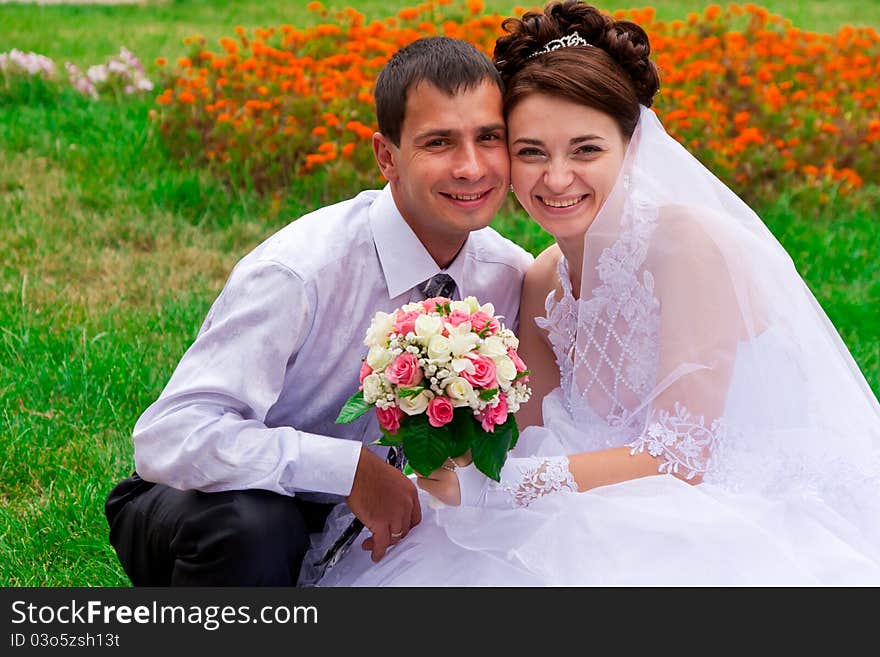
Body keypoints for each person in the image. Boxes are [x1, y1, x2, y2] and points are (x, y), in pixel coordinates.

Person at [310, 0, 880, 586]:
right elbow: (525, 437)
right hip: (574, 495)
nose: (556, 179)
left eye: (587, 150)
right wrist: (449, 440)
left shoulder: (686, 245)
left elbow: (679, 457)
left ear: (631, 147)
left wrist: (498, 490)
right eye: (531, 152)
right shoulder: (540, 279)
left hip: (697, 502)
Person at [104, 36, 533, 586]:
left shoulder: (509, 275)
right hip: (222, 500)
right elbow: (169, 438)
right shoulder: (300, 271)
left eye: (488, 138)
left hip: (396, 523)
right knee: (256, 528)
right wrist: (346, 470)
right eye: (439, 142)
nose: (471, 167)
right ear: (386, 156)